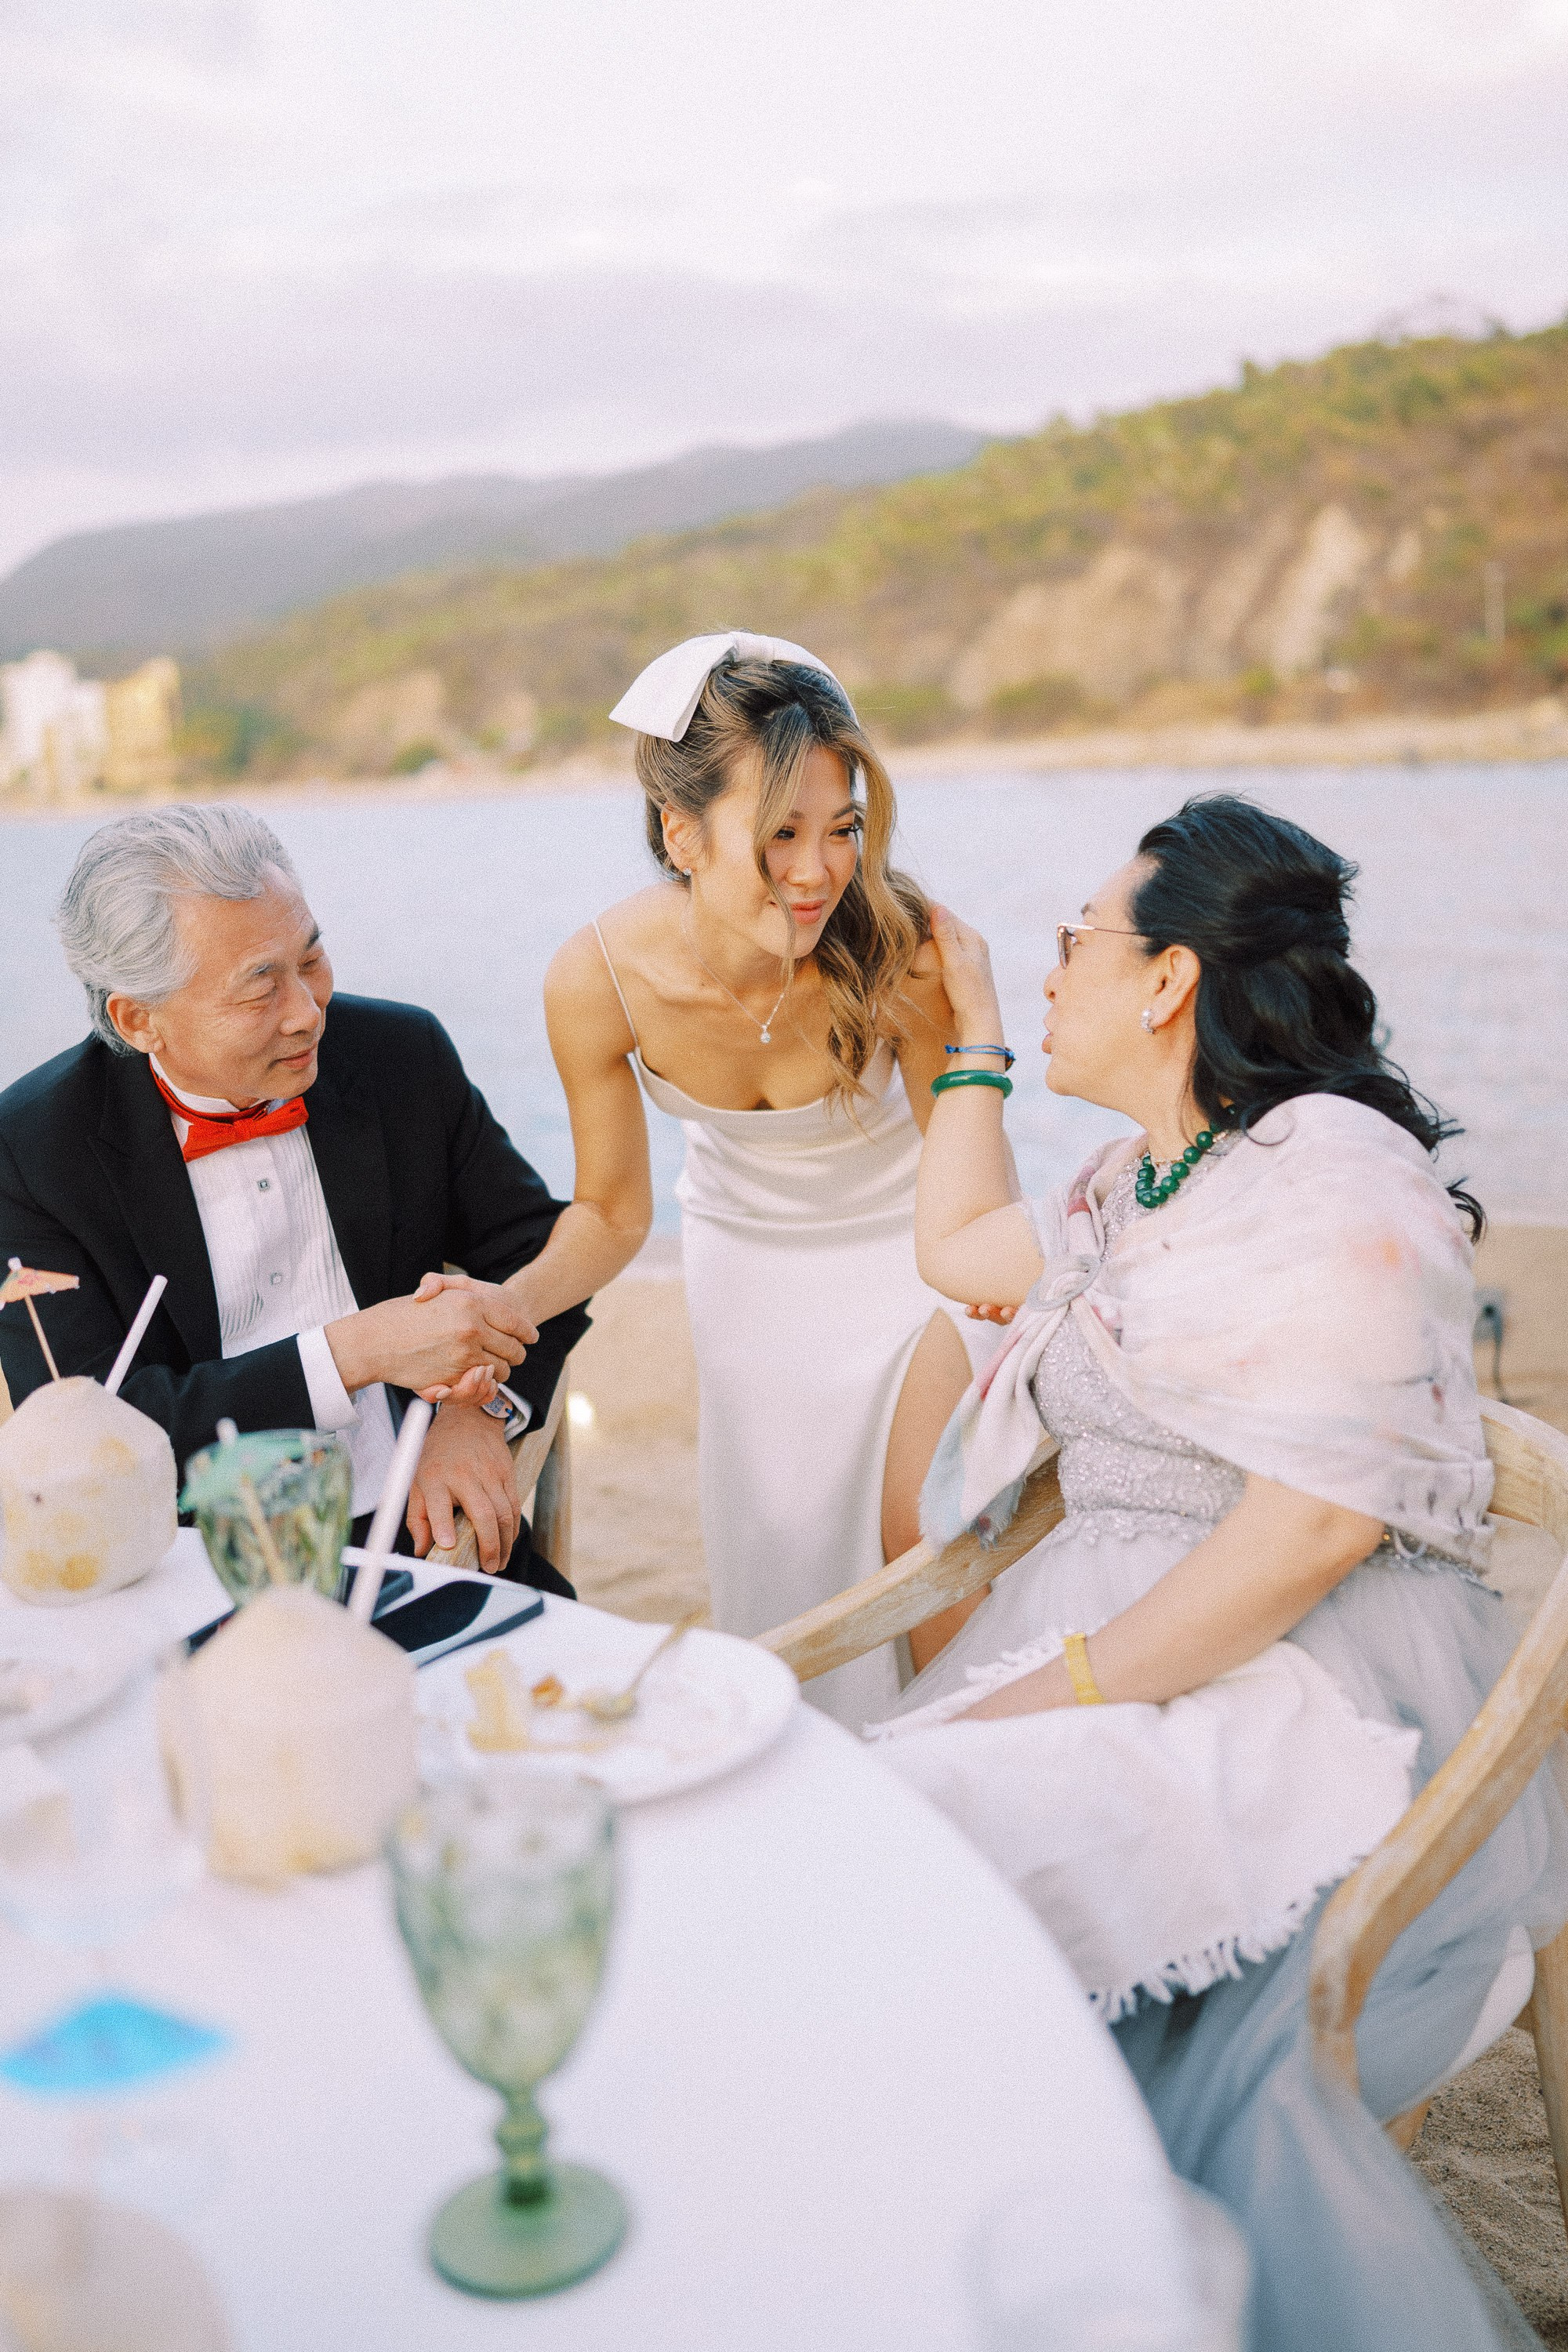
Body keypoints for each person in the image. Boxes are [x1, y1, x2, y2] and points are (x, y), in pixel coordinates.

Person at [871, 795, 1568, 2350]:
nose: (1054, 975)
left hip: (1291, 1669)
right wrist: (972, 1036)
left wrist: (1053, 1689)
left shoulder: (1330, 1176)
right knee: (886, 1851)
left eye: (1071, 947)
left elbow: (1316, 1524)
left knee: (933, 1855)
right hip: (1135, 1646)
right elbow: (960, 1248)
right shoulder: (1142, 1182)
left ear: (1168, 978)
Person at [501, 632, 1004, 1722]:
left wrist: (981, 1042)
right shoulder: (597, 982)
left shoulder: (896, 953)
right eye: (780, 834)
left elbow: (977, 1202)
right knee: (778, 1550)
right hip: (747, 1272)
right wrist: (508, 1307)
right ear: (680, 834)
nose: (820, 871)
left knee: (926, 1537)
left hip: (915, 1254)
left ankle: (960, 1762)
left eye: (844, 829)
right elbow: (608, 1211)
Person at [0, 804, 588, 1592]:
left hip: (424, 1531)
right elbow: (78, 1436)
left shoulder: (400, 1056)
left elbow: (543, 1254)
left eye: (309, 960)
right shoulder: (32, 1148)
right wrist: (358, 1351)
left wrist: (479, 1415)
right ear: (138, 1018)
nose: (307, 1012)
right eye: (260, 988)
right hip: (186, 1568)